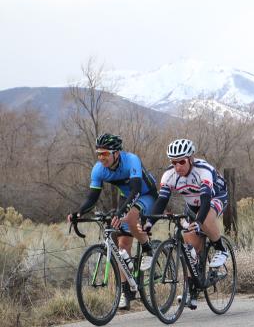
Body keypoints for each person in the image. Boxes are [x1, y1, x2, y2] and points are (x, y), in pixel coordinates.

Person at [68, 133, 158, 310]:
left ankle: (148, 248)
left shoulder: (131, 160)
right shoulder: (98, 169)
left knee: (130, 217)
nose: (101, 158)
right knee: (122, 247)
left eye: (105, 154)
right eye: (99, 154)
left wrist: (121, 211)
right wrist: (79, 212)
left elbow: (136, 189)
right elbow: (92, 197)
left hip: (146, 194)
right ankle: (127, 291)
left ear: (116, 153)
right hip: (128, 197)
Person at [143, 139, 228, 309]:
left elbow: (205, 201)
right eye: (173, 162)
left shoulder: (203, 171)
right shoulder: (169, 175)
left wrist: (197, 222)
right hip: (192, 205)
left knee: (203, 221)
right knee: (190, 248)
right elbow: (161, 201)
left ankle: (220, 248)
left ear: (191, 159)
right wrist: (149, 222)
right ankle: (192, 291)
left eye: (181, 161)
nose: (178, 166)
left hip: (215, 197)